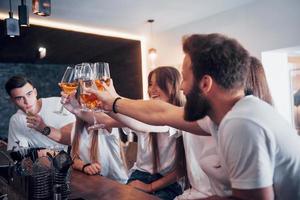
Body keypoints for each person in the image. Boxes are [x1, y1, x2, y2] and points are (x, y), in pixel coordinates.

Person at [92, 34, 300, 200]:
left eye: (185, 78)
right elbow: (161, 112)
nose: (181, 88)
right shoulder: (223, 115)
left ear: (205, 84)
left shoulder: (241, 123)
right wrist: (113, 101)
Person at [87, 66, 213, 199]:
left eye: (159, 84)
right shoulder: (189, 116)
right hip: (141, 175)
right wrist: (80, 109)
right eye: (151, 84)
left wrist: (113, 100)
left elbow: (153, 117)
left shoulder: (183, 117)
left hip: (168, 183)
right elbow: (108, 120)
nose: (152, 89)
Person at [5, 75, 75, 150]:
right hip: (43, 161)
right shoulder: (16, 120)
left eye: (29, 94)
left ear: (35, 92)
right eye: (19, 98)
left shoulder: (59, 103)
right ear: (12, 101)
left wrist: (43, 128)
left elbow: (74, 139)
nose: (27, 101)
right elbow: (20, 154)